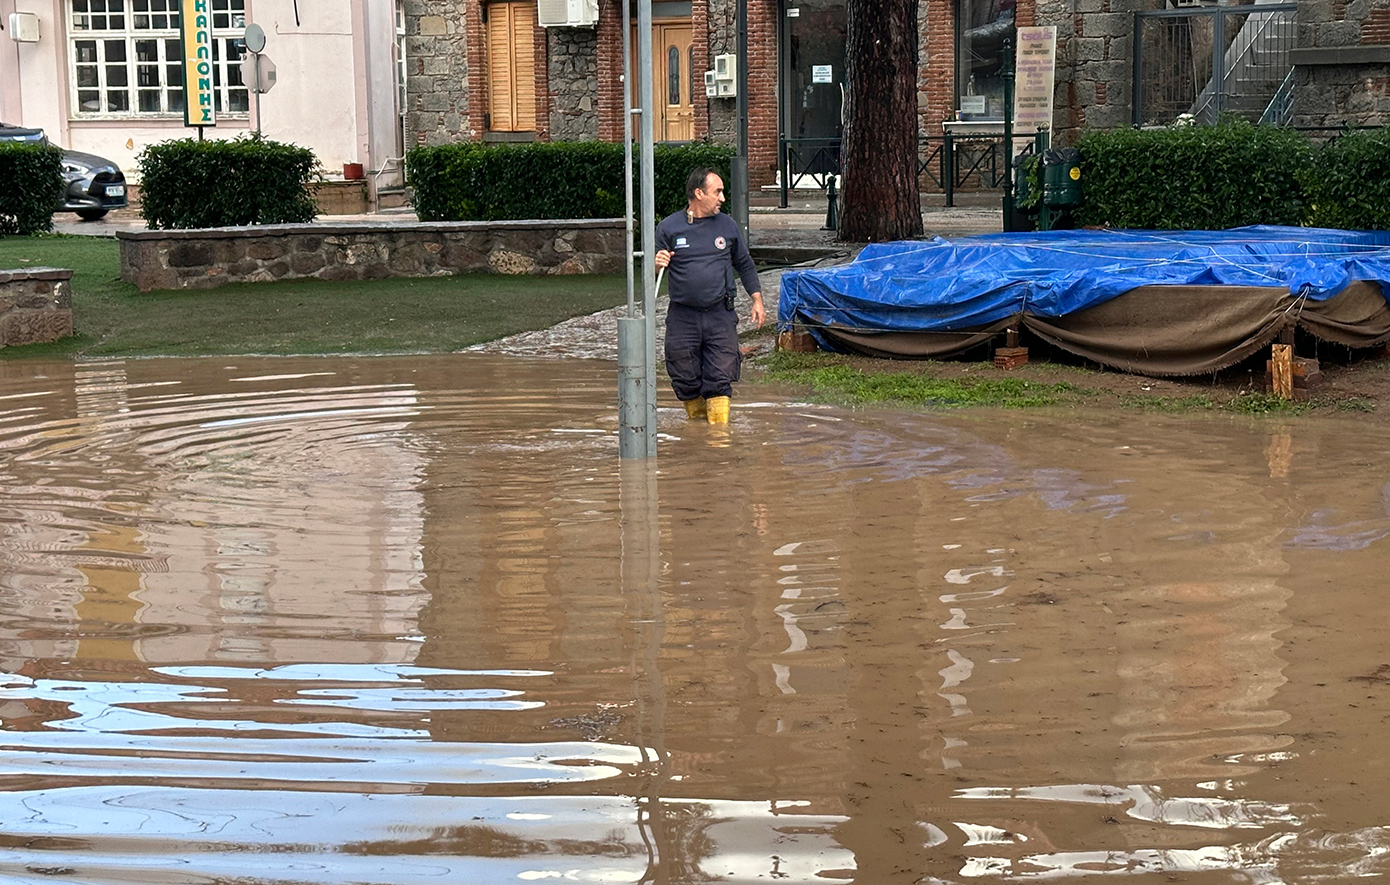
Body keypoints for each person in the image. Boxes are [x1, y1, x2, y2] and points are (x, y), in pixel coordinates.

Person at [653, 167, 764, 425]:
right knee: (684, 378)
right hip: (682, 316)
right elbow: (653, 271)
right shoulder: (669, 227)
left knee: (719, 378)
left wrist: (757, 299)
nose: (722, 198)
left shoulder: (727, 225)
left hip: (719, 315)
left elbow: (745, 264)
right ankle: (696, 437)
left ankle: (719, 441)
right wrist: (657, 263)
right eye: (718, 192)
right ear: (698, 193)